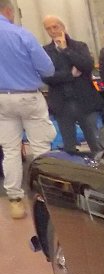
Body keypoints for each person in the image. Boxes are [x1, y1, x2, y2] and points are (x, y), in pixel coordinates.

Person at [0, 0, 55, 219]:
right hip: (28, 96)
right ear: (8, 11)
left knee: (11, 151)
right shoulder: (22, 34)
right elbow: (48, 69)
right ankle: (47, 194)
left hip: (2, 100)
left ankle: (15, 201)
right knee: (40, 146)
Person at [41, 15, 103, 156]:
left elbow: (87, 66)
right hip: (62, 104)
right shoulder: (46, 52)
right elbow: (47, 76)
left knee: (95, 142)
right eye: (48, 29)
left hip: (85, 102)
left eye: (55, 27)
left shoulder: (79, 46)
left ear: (63, 27)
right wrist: (70, 75)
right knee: (69, 146)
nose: (52, 31)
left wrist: (66, 50)